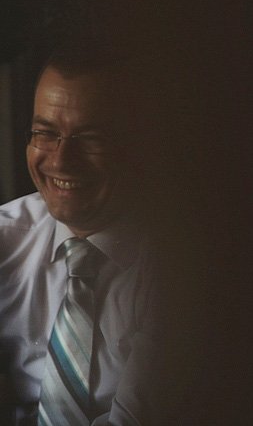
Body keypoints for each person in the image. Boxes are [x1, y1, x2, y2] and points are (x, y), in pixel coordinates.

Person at [0, 51, 159, 425]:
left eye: (91, 138)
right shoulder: (7, 239)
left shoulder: (180, 264)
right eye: (45, 133)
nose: (59, 160)